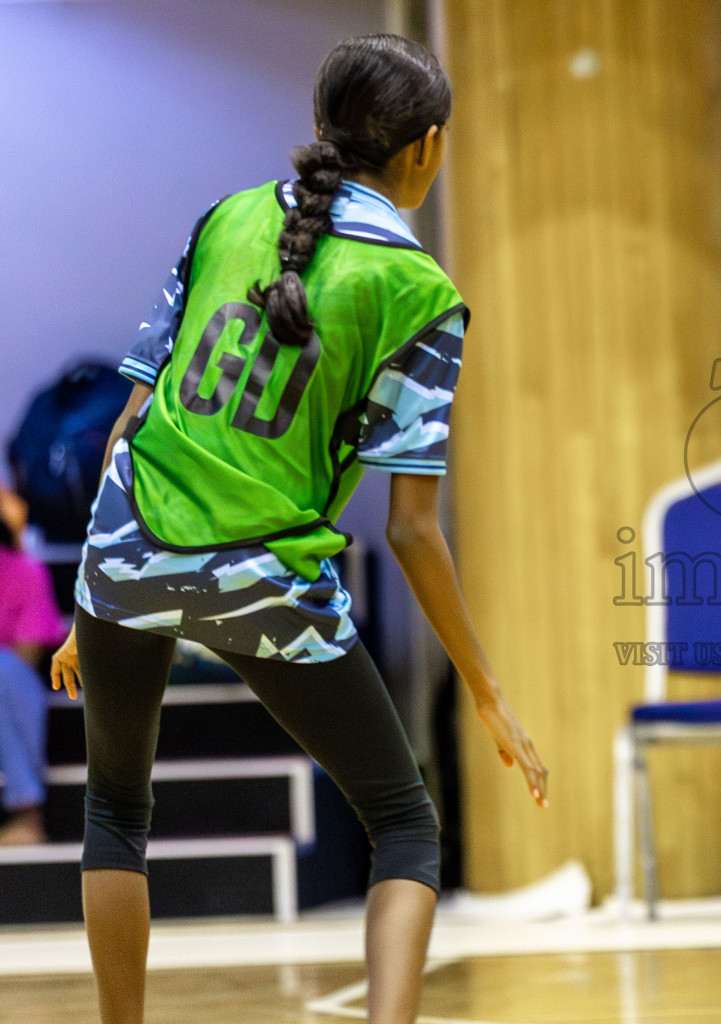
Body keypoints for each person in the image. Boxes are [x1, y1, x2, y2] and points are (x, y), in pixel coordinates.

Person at [47, 35, 546, 1024]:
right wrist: (488, 695)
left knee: (115, 811)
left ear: (319, 126)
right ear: (428, 146)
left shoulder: (224, 217)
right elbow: (412, 532)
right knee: (404, 825)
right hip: (264, 577)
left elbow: (129, 424)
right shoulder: (422, 294)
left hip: (125, 546)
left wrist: (94, 601)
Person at [0, 484, 66, 845]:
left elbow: (27, 655)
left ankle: (28, 815)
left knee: (6, 674)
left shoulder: (25, 570)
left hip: (10, 681)